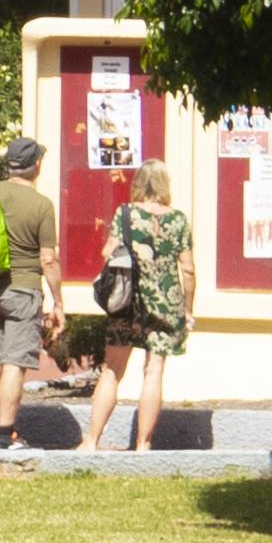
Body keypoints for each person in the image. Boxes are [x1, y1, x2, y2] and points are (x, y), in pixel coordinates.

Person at [0, 133, 62, 449]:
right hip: (23, 291)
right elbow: (48, 260)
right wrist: (58, 301)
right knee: (14, 364)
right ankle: (6, 436)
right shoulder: (42, 205)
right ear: (36, 165)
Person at [91, 156, 194, 452]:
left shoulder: (126, 213)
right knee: (154, 371)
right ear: (165, 185)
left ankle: (91, 440)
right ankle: (143, 444)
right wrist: (187, 309)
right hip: (166, 302)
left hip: (128, 302)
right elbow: (188, 269)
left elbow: (107, 252)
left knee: (113, 369)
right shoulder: (177, 220)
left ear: (138, 183)